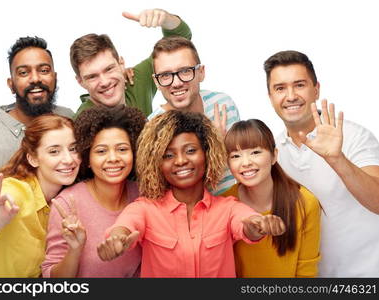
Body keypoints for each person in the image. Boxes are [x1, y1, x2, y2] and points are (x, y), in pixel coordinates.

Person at [97, 111, 285, 278]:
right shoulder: (144, 208)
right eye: (168, 155)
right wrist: (117, 239)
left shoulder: (228, 207)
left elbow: (246, 223)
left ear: (207, 154)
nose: (180, 161)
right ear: (157, 163)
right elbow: (126, 225)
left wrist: (258, 225)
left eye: (190, 151)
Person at [264, 50, 379, 277]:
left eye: (299, 85)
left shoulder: (354, 136)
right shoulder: (273, 152)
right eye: (280, 88)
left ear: (316, 89)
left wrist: (337, 159)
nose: (290, 96)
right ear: (270, 97)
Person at [0, 36, 74, 213]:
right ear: (11, 84)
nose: (35, 79)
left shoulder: (69, 119)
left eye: (44, 70)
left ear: (55, 77)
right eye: (23, 73)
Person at [0, 114, 80, 277]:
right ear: (33, 159)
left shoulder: (61, 203)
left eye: (73, 149)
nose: (69, 159)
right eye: (54, 151)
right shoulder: (16, 190)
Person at [42, 105, 146, 277]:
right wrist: (75, 249)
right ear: (88, 158)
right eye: (101, 151)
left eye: (122, 149)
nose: (113, 158)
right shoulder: (67, 203)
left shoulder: (143, 196)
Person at [223, 119, 321, 277]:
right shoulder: (224, 203)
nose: (246, 162)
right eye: (235, 156)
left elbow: (306, 271)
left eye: (255, 152)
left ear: (274, 156)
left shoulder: (305, 202)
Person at [148, 36, 240, 195]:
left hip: (236, 204)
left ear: (201, 72)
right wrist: (215, 146)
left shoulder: (223, 104)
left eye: (185, 71)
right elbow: (167, 191)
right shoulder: (152, 127)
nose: (176, 83)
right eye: (165, 75)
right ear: (156, 82)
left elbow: (242, 163)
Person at [72, 8, 192, 118]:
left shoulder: (136, 81)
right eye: (92, 76)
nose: (105, 82)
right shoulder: (82, 121)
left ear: (121, 64)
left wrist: (165, 18)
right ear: (80, 82)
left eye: (109, 69)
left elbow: (181, 39)